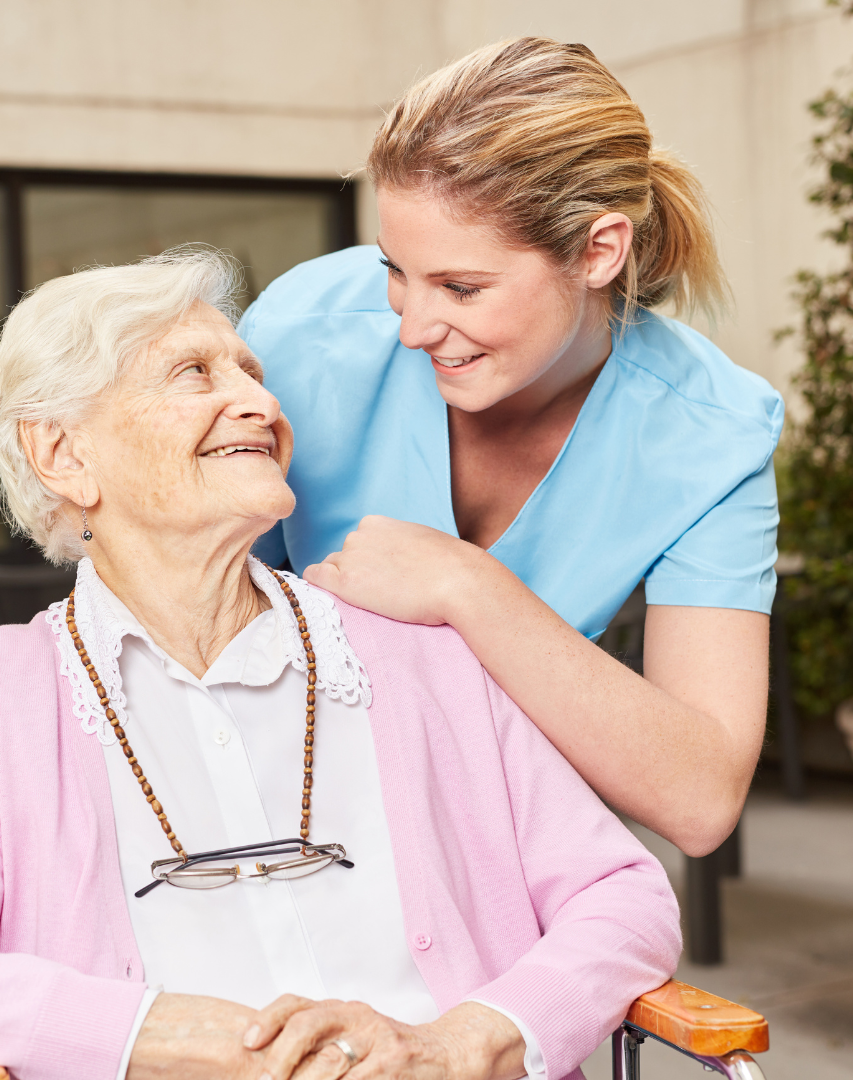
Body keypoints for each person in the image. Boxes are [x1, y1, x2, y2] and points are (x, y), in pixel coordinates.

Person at [0, 252, 679, 1080]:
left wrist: (465, 1044)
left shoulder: (416, 649)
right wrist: (160, 1033)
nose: (259, 401)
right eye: (195, 373)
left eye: (251, 370)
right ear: (64, 455)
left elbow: (623, 898)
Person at [239, 37, 782, 858]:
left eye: (462, 287)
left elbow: (701, 796)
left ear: (600, 250)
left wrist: (467, 586)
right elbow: (191, 614)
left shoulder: (714, 435)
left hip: (495, 843)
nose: (414, 328)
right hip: (270, 817)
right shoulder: (303, 334)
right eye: (395, 270)